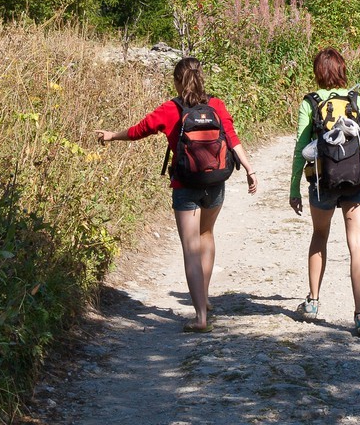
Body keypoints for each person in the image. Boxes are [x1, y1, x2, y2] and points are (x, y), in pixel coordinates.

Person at [96, 56, 257, 330]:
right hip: (216, 182)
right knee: (206, 235)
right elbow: (231, 137)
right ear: (202, 78)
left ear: (176, 80)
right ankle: (203, 300)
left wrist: (112, 136)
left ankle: (200, 318)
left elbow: (139, 130)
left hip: (185, 187)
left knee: (190, 248)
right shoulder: (216, 105)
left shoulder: (171, 109)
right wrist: (250, 170)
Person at [289, 46, 360, 337]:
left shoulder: (310, 102)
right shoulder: (357, 100)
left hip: (322, 180)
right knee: (357, 243)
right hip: (358, 181)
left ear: (317, 73)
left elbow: (299, 148)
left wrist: (294, 187)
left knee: (320, 236)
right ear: (343, 71)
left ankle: (314, 302)